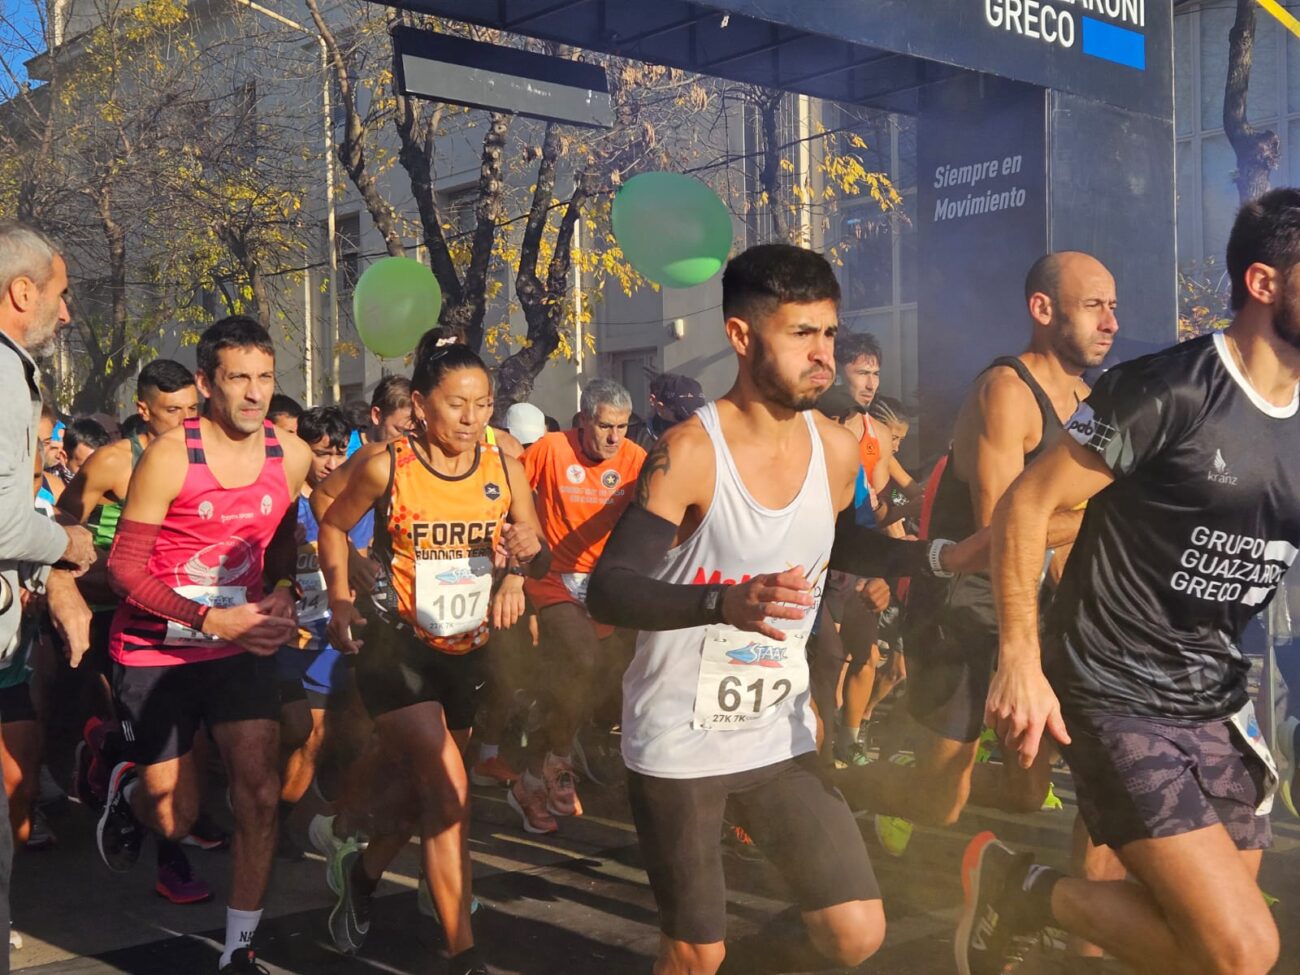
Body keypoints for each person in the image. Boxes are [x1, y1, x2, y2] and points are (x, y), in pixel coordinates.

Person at [586, 242, 983, 975]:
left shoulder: (835, 449)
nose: (824, 355)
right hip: (680, 742)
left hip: (777, 734)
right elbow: (610, 587)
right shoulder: (689, 453)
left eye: (829, 333)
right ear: (741, 336)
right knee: (695, 952)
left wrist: (937, 557)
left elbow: (841, 542)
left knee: (855, 929)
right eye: (802, 333)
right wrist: (721, 602)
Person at [957, 191, 1300, 975]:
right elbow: (1026, 504)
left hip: (1218, 695)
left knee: (1202, 944)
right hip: (1114, 684)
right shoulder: (1166, 389)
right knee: (1243, 951)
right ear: (1263, 282)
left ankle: (1018, 889)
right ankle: (1025, 890)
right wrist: (1019, 659)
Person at [837, 252, 1119, 857]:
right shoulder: (1005, 392)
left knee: (1027, 792)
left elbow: (1061, 536)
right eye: (1094, 306)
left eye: (1113, 307)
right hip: (960, 606)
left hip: (1029, 609)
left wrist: (1079, 609)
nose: (1111, 323)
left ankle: (923, 781)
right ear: (1042, 309)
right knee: (940, 801)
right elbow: (1002, 533)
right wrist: (1102, 516)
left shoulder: (1086, 400)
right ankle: (826, 788)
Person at [315, 341, 549, 975]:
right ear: (419, 405)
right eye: (457, 405)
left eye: (484, 404)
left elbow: (535, 550)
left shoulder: (505, 463)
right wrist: (343, 591)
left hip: (468, 650)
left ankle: (361, 874)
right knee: (449, 793)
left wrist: (520, 567)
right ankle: (464, 956)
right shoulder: (385, 465)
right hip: (396, 648)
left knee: (422, 800)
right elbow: (330, 519)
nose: (472, 419)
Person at [97, 316, 310, 974]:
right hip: (156, 647)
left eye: (265, 377)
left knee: (260, 792)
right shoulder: (170, 455)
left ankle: (239, 946)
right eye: (238, 378)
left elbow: (281, 539)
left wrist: (282, 588)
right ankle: (126, 785)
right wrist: (209, 618)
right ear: (207, 384)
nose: (255, 392)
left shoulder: (291, 455)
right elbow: (124, 570)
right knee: (175, 816)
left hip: (237, 649)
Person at [57, 358, 211, 904]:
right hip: (114, 612)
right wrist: (87, 569)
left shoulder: (207, 452)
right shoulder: (114, 461)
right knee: (147, 737)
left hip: (186, 613)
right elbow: (64, 519)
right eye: (173, 411)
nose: (186, 421)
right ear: (143, 409)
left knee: (181, 738)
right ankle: (170, 860)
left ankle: (103, 751)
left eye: (193, 409)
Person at [0, 220, 95, 975]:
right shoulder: (3, 369)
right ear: (21, 291)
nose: (65, 313)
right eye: (59, 295)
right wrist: (67, 545)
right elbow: (2, 517)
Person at [508, 378, 646, 833]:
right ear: (584, 420)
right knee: (583, 660)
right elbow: (509, 497)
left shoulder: (635, 459)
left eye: (622, 427)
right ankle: (561, 758)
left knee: (589, 682)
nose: (614, 437)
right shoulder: (550, 449)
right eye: (605, 426)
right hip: (553, 578)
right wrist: (514, 559)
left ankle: (532, 777)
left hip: (605, 583)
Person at [273, 406, 371, 859]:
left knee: (323, 736)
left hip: (331, 635)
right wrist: (279, 547)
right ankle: (262, 807)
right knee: (299, 732)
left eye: (339, 453)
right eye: (321, 454)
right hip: (285, 638)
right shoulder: (282, 499)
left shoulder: (354, 504)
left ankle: (285, 819)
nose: (331, 464)